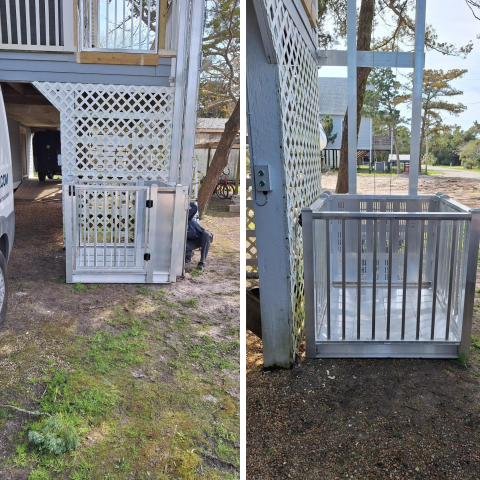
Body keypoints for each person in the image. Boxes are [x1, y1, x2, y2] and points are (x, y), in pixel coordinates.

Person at [185, 203, 213, 271]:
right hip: (186, 242)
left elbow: (193, 207)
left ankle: (202, 263)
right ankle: (188, 254)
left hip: (196, 239)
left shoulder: (190, 221)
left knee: (207, 234)